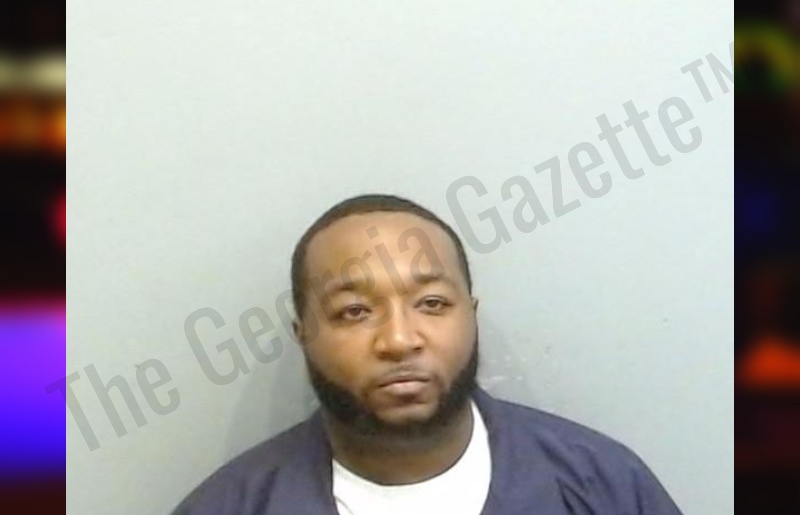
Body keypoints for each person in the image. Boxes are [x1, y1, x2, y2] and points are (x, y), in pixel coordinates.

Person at [172, 194, 683, 515]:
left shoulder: (604, 486)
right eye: (354, 311)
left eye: (432, 303)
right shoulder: (229, 505)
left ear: (471, 315)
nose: (399, 339)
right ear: (303, 334)